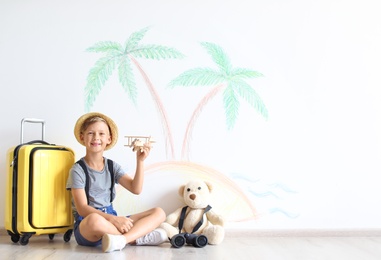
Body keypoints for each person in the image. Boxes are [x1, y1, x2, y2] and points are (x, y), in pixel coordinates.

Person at [66, 112, 167, 253]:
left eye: (101, 134)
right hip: (88, 225)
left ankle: (122, 240)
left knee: (159, 212)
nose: (96, 137)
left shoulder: (112, 166)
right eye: (91, 133)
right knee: (94, 220)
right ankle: (136, 238)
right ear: (82, 137)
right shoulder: (78, 170)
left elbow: (135, 188)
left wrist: (140, 161)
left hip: (112, 218)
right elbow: (82, 208)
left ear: (109, 139)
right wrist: (114, 220)